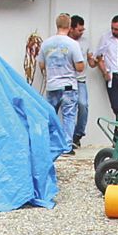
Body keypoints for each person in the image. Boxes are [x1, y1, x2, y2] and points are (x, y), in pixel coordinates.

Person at [37, 13, 85, 153]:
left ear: (56, 25)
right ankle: (66, 146)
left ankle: (49, 144)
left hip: (52, 85)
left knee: (50, 116)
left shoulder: (46, 43)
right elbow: (80, 67)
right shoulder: (73, 44)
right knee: (68, 116)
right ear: (69, 27)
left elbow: (41, 64)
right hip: (69, 86)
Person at [67, 15, 91, 151]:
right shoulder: (66, 42)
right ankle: (64, 138)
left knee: (83, 105)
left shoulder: (85, 42)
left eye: (83, 30)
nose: (81, 33)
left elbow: (91, 62)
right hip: (67, 79)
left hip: (81, 80)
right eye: (79, 30)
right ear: (71, 28)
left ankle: (78, 135)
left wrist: (96, 60)